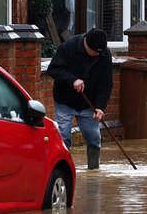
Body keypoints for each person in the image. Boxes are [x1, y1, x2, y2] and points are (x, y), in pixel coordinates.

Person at [47, 27, 113, 169]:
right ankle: (63, 169)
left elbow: (106, 84)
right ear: (86, 44)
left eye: (99, 53)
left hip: (88, 104)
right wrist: (72, 80)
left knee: (93, 137)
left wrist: (100, 107)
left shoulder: (104, 55)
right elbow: (53, 69)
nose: (97, 55)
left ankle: (94, 169)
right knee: (63, 136)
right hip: (64, 99)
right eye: (94, 52)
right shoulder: (68, 47)